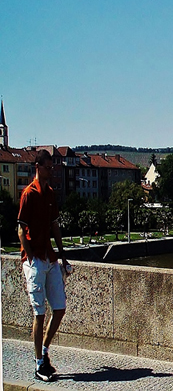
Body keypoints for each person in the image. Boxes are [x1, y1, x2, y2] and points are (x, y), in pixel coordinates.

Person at [18, 149, 70, 382]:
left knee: (59, 308)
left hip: (50, 258)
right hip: (36, 260)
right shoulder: (28, 194)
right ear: (38, 167)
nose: (52, 170)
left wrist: (61, 255)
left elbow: (55, 226)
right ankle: (39, 364)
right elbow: (21, 230)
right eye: (49, 167)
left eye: (53, 167)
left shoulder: (50, 193)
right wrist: (30, 258)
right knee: (39, 313)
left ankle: (45, 351)